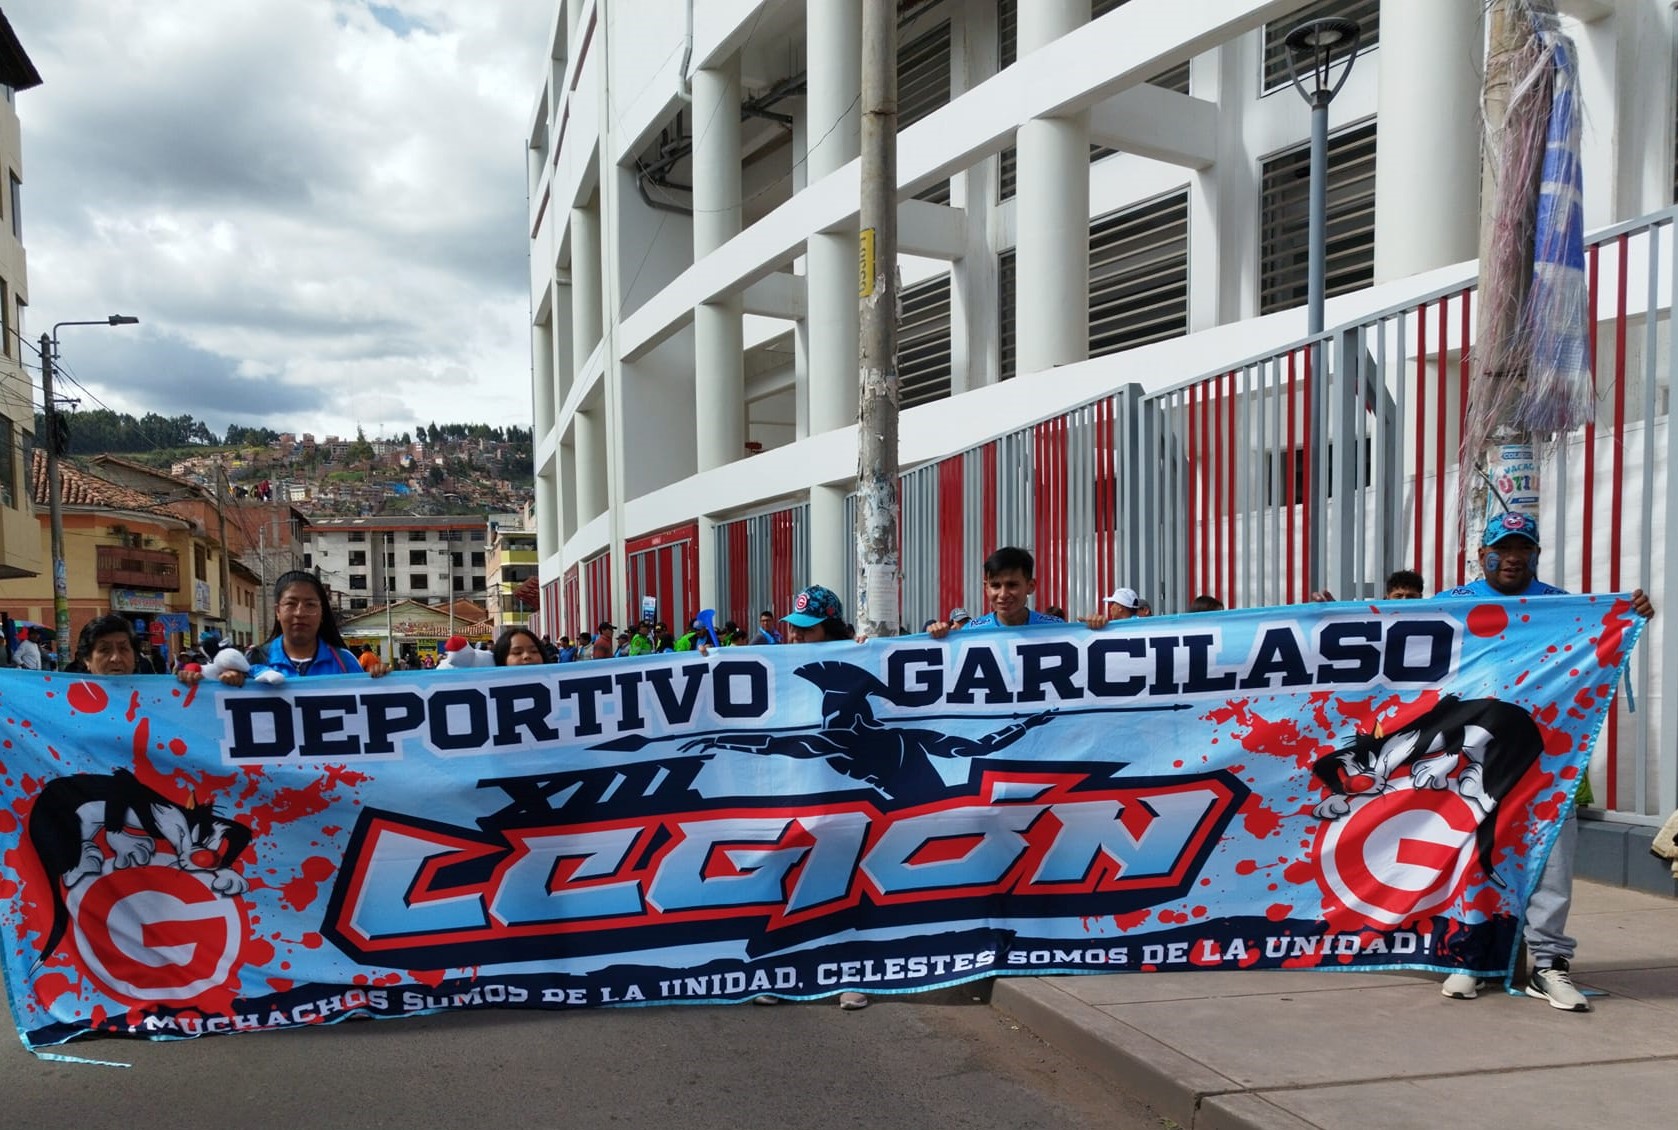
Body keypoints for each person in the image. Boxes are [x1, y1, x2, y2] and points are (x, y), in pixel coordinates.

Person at [1438, 513, 1654, 1012]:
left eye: (1523, 549)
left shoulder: (1562, 607)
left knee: (1550, 864)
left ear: (1535, 555)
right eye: (1502, 547)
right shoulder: (1451, 606)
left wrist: (1634, 612)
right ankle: (1470, 957)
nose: (1513, 557)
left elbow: (1611, 636)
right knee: (1474, 858)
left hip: (1549, 763)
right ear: (1481, 554)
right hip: (1474, 762)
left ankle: (1549, 964)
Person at [187, 571, 387, 687]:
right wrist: (192, 677)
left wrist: (385, 683)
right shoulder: (251, 661)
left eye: (310, 604)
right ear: (277, 611)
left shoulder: (345, 661)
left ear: (322, 612)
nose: (300, 612)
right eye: (291, 604)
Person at [65, 615, 141, 676]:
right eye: (104, 650)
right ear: (87, 659)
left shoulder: (151, 693)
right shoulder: (68, 694)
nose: (116, 659)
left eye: (123, 649)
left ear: (135, 656)